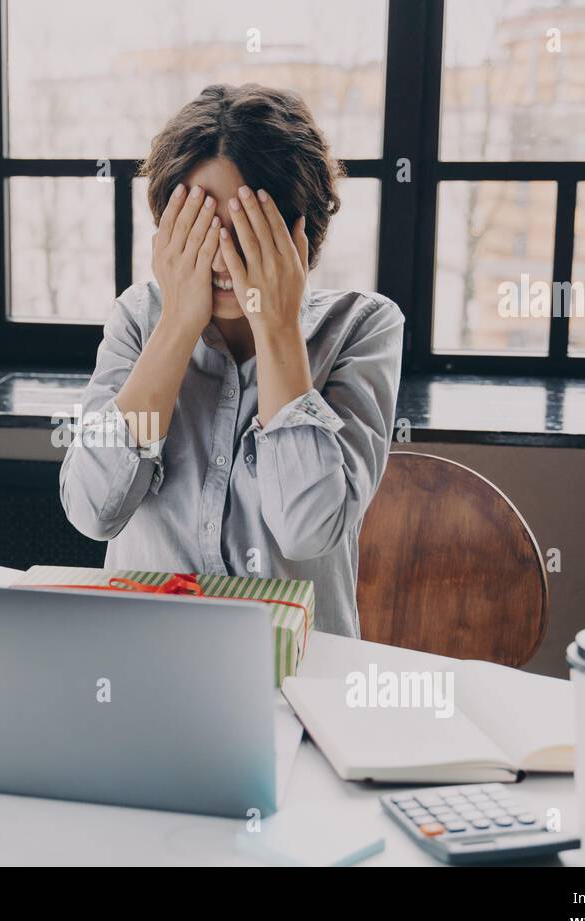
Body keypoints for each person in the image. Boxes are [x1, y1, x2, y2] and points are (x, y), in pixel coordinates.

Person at [59, 83, 404, 640]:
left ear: (299, 229)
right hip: (146, 654)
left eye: (247, 228)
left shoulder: (361, 328)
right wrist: (175, 325)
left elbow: (307, 530)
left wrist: (276, 326)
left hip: (295, 672)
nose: (221, 255)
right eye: (199, 226)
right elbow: (95, 511)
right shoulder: (138, 318)